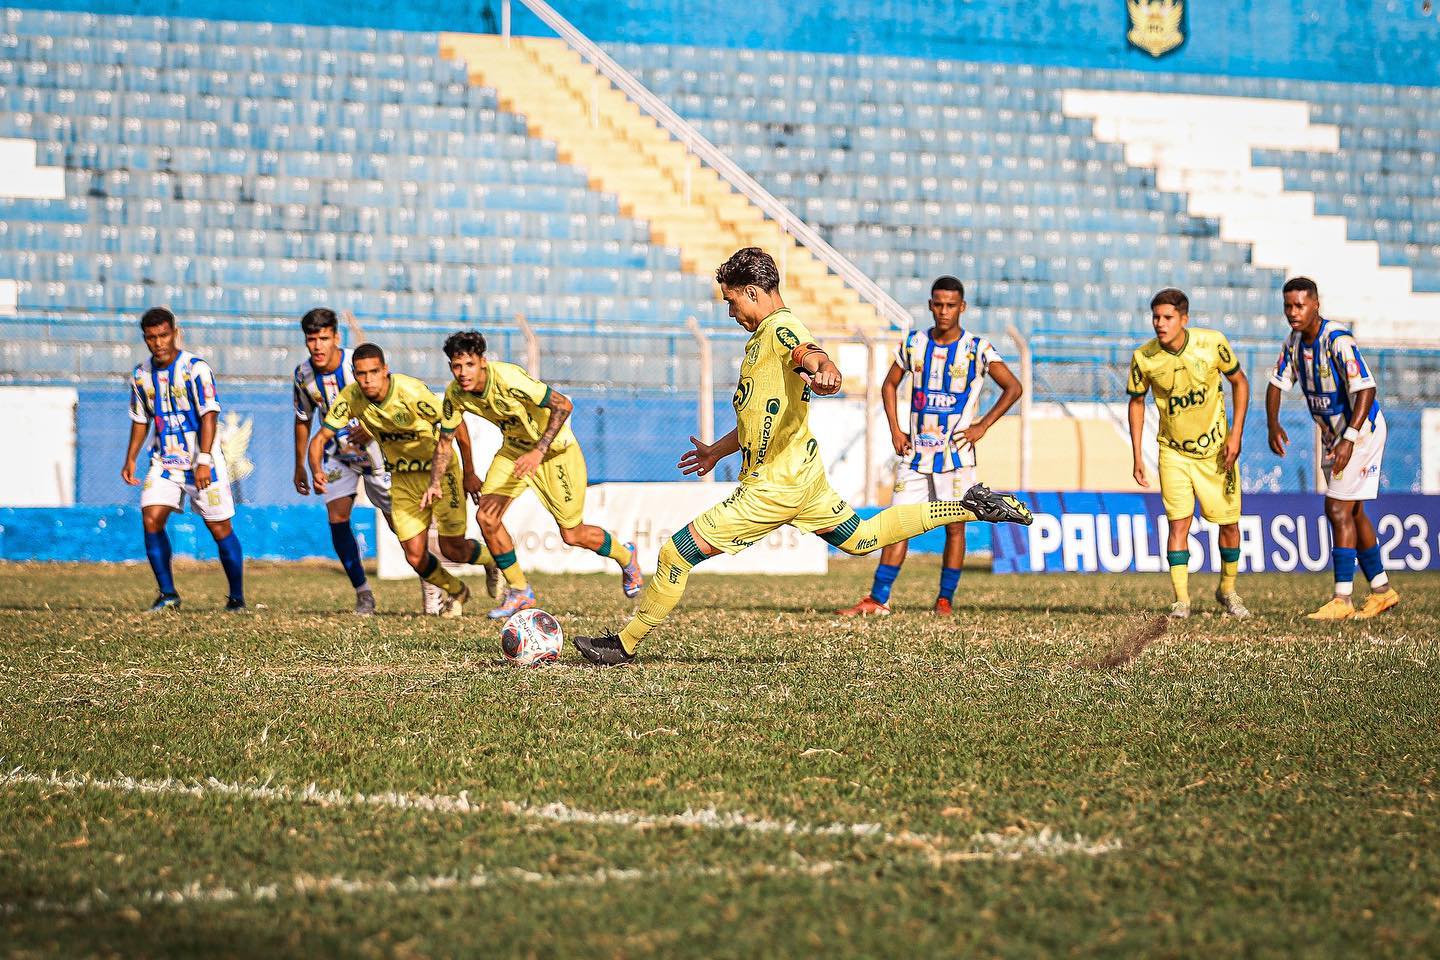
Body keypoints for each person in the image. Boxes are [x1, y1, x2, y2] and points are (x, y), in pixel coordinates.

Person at [572, 248, 1034, 666]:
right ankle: (970, 506)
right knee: (864, 537)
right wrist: (718, 449)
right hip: (803, 477)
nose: (731, 312)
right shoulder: (763, 338)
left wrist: (827, 371)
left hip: (773, 488)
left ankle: (624, 644)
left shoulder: (780, 328)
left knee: (676, 553)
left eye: (733, 302)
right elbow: (763, 413)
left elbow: (809, 353)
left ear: (753, 292)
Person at [837, 276, 1022, 617]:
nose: (944, 311)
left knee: (956, 526)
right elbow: (889, 384)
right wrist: (895, 429)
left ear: (962, 307)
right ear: (930, 305)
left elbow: (1013, 387)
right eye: (938, 304)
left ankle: (944, 600)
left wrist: (983, 425)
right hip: (915, 454)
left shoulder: (977, 349)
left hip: (957, 457)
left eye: (951, 305)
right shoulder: (913, 344)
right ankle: (878, 599)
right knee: (897, 523)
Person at [437, 331, 643, 619]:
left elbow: (563, 404)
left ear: (482, 362)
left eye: (468, 364)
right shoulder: (455, 393)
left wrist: (538, 451)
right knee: (486, 517)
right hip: (514, 453)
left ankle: (625, 555)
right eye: (456, 366)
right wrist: (451, 478)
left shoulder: (509, 379)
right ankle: (520, 591)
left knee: (573, 534)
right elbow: (446, 440)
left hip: (556, 453)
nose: (462, 373)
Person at [308, 343, 495, 618]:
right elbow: (320, 438)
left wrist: (469, 472)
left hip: (440, 473)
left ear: (386, 370)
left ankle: (492, 561)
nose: (368, 379)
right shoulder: (351, 398)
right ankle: (457, 590)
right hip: (403, 478)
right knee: (415, 555)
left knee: (452, 549)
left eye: (374, 372)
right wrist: (315, 468)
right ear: (354, 374)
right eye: (361, 374)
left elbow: (455, 424)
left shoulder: (411, 392)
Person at [1265, 277, 1400, 620]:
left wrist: (1349, 438)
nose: (1293, 313)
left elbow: (1366, 388)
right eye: (1288, 306)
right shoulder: (1294, 342)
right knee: (1352, 512)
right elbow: (1276, 383)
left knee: (1337, 508)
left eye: (1299, 305)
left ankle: (1342, 599)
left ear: (1315, 304)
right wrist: (1272, 423)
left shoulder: (1337, 340)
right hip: (1334, 436)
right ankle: (1382, 591)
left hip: (1361, 431)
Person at [1127, 288, 1251, 619]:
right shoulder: (1144, 358)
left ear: (1184, 319)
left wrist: (1235, 435)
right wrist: (1138, 456)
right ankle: (1181, 600)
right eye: (1156, 317)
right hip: (1173, 453)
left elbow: (1240, 382)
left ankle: (1228, 589)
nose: (1159, 323)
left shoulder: (1212, 344)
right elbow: (1136, 402)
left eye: (1167, 317)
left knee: (1228, 523)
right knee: (1178, 524)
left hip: (1216, 452)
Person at [121, 307, 246, 612]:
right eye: (151, 337)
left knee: (219, 529)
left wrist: (203, 458)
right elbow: (141, 420)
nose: (158, 343)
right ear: (145, 339)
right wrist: (130, 458)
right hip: (164, 462)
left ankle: (237, 597)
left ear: (175, 333)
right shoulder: (141, 375)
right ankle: (167, 593)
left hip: (202, 461)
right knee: (151, 518)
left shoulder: (195, 369)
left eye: (163, 335)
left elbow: (209, 415)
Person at [291, 308, 394, 615]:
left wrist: (372, 426)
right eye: (312, 339)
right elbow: (302, 419)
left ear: (336, 337)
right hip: (338, 455)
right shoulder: (303, 375)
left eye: (324, 338)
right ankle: (363, 593)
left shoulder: (357, 366)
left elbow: (390, 397)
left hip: (377, 454)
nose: (318, 346)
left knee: (400, 526)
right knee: (337, 519)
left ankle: (431, 583)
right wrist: (301, 464)